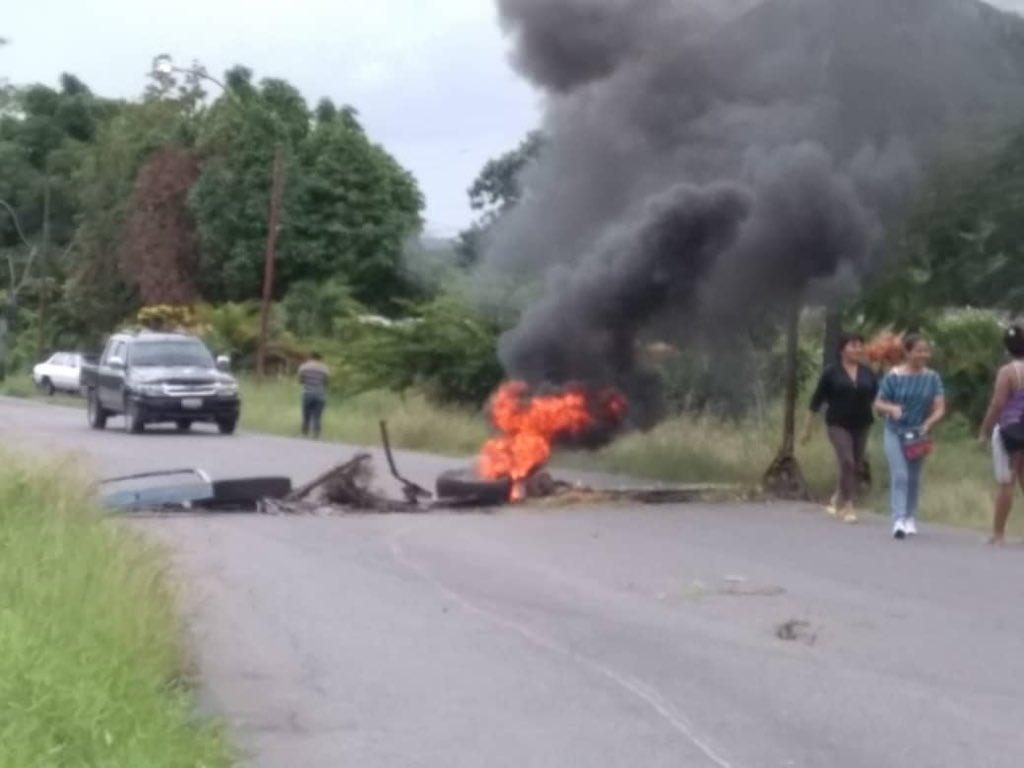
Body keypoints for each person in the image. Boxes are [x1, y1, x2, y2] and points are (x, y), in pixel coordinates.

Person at [874, 334, 947, 540]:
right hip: (895, 431)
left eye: (926, 350)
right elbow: (878, 403)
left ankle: (909, 516)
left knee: (914, 477)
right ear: (907, 352)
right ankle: (898, 519)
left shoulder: (932, 378)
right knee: (900, 475)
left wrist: (929, 422)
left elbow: (940, 407)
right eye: (919, 350)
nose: (923, 354)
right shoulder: (894, 376)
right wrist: (891, 408)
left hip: (919, 434)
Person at [801, 332, 878, 523]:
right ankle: (849, 506)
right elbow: (815, 401)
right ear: (842, 349)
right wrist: (807, 429)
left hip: (862, 423)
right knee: (847, 461)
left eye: (860, 345)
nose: (858, 349)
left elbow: (878, 398)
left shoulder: (868, 373)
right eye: (853, 345)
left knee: (856, 465)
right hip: (837, 424)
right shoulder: (831, 372)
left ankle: (837, 497)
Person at [978, 324, 1024, 545]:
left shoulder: (1008, 372)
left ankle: (999, 533)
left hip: (1011, 431)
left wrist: (984, 431)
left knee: (1007, 481)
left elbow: (997, 404)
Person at [297, 352, 330, 439]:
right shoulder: (324, 368)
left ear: (310, 357)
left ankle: (304, 433)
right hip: (320, 394)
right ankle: (316, 434)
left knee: (306, 414)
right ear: (320, 359)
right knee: (317, 416)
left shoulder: (304, 367)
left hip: (307, 393)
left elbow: (300, 380)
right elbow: (326, 382)